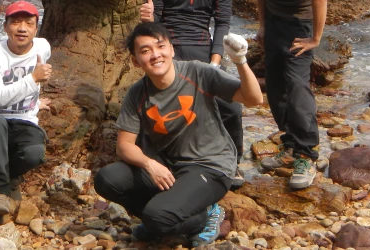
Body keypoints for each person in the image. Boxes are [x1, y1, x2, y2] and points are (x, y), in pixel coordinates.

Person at [94, 22, 262, 247]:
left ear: (172, 49)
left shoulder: (198, 72)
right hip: (169, 166)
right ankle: (165, 215)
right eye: (145, 51)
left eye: (160, 46)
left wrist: (240, 62)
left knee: (157, 218)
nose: (155, 55)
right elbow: (124, 146)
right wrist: (149, 164)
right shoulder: (137, 93)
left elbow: (254, 99)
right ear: (136, 61)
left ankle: (205, 215)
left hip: (211, 166)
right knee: (107, 179)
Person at [139, 0, 245, 187]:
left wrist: (214, 64)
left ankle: (233, 162)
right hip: (169, 46)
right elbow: (157, 23)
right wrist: (150, 23)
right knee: (164, 104)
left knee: (231, 107)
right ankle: (158, 159)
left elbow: (221, 23)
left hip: (202, 46)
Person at [245, 0, 327, 190]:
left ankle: (307, 154)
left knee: (296, 87)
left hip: (301, 24)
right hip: (275, 23)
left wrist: (316, 38)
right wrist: (262, 25)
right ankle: (290, 145)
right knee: (276, 89)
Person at [0, 0, 52, 218]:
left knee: (35, 154)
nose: (22, 28)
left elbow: (40, 73)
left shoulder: (43, 46)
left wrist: (36, 102)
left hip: (24, 121)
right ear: (5, 26)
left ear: (36, 28)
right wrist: (32, 79)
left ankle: (7, 175)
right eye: (15, 22)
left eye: (29, 23)